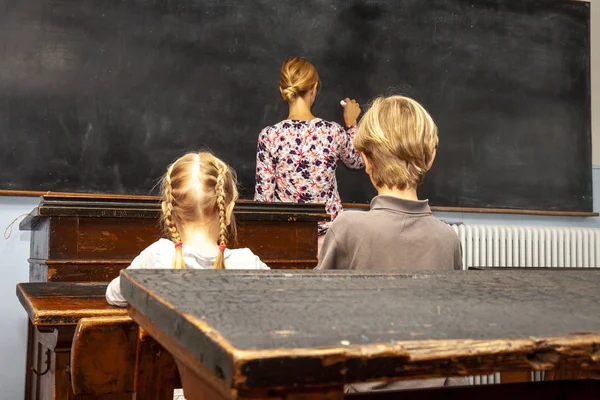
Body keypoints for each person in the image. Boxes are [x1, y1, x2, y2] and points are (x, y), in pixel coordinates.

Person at [316, 95, 466, 391]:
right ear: (431, 157)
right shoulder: (448, 239)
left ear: (367, 162)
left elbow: (316, 327)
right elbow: (454, 340)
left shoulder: (346, 228)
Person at [106, 152, 269, 307]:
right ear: (227, 211)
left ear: (167, 212)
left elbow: (113, 294)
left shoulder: (158, 256)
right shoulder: (248, 263)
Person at [254, 57, 364, 252]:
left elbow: (263, 200)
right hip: (331, 240)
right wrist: (351, 123)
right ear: (314, 88)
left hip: (288, 239)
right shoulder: (333, 132)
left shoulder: (270, 136)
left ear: (282, 91)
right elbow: (357, 161)